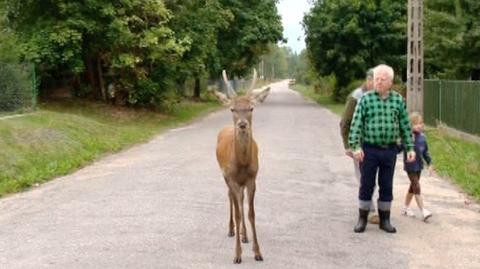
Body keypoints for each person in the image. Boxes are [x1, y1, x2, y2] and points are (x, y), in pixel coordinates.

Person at [348, 64, 416, 233]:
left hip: (389, 150)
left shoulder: (398, 100)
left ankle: (384, 219)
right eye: (376, 78)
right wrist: (355, 146)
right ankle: (362, 218)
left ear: (390, 82)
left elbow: (405, 127)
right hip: (369, 149)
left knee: (386, 185)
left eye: (382, 79)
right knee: (366, 184)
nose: (377, 82)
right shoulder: (366, 99)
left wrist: (410, 148)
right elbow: (355, 125)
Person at [340, 68, 379, 224]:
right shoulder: (356, 97)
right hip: (359, 144)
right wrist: (348, 145)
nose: (378, 85)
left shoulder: (377, 96)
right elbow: (345, 122)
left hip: (375, 144)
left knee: (372, 177)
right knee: (364, 177)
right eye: (376, 81)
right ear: (369, 81)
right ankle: (370, 209)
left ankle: (369, 205)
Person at [401, 112, 434, 221]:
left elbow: (425, 152)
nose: (419, 125)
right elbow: (400, 148)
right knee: (416, 186)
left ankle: (405, 208)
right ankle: (423, 211)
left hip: (419, 166)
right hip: (410, 166)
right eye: (415, 124)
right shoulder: (408, 137)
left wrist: (430, 164)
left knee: (412, 187)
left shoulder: (423, 138)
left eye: (420, 123)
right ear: (410, 125)